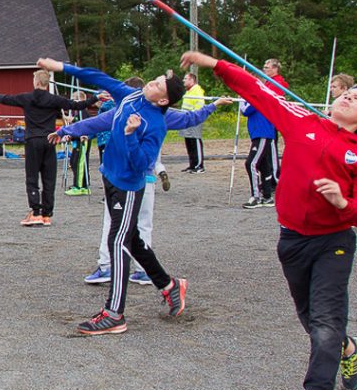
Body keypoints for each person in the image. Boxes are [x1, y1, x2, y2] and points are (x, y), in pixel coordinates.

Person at [181, 51, 357, 390]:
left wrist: (344, 204)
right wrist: (215, 64)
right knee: (312, 320)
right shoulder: (302, 121)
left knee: (325, 321)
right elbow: (259, 91)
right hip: (291, 240)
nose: (347, 97)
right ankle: (348, 349)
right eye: (345, 94)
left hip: (333, 243)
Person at [41, 57, 187, 336]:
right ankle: (169, 285)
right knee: (131, 239)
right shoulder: (130, 95)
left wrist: (131, 135)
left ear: (163, 100)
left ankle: (114, 313)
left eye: (158, 84)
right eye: (154, 79)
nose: (152, 82)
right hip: (109, 176)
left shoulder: (155, 123)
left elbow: (141, 163)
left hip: (128, 186)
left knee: (118, 241)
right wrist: (60, 69)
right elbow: (98, 84)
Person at [65, 92, 233, 285]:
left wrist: (70, 131)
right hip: (145, 176)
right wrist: (214, 104)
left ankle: (107, 266)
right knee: (142, 223)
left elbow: (95, 124)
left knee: (113, 223)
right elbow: (190, 118)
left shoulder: (127, 110)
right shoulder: (161, 113)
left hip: (127, 179)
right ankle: (140, 269)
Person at [0, 70, 94, 227]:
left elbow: (7, 99)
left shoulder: (27, 97)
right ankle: (47, 214)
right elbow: (77, 105)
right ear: (47, 84)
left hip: (33, 141)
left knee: (32, 177)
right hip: (49, 139)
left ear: (37, 82)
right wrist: (95, 98)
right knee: (49, 177)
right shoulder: (54, 100)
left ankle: (36, 212)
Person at [241, 95, 278, 209]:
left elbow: (245, 111)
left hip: (262, 134)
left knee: (251, 163)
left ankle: (256, 197)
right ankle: (267, 197)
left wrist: (242, 100)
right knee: (263, 165)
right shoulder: (257, 97)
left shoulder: (256, 97)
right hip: (261, 134)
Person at [64, 91, 95, 196]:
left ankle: (80, 186)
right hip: (77, 141)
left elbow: (85, 125)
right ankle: (83, 184)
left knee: (79, 163)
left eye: (74, 99)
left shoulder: (83, 112)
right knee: (73, 162)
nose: (72, 101)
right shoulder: (76, 112)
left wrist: (74, 119)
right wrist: (70, 136)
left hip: (83, 140)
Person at [179, 72, 206, 173]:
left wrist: (193, 116)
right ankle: (192, 164)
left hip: (194, 120)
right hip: (187, 120)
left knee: (195, 141)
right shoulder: (189, 91)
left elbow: (200, 105)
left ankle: (199, 165)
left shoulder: (196, 90)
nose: (184, 80)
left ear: (192, 80)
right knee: (189, 142)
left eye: (186, 79)